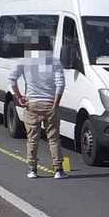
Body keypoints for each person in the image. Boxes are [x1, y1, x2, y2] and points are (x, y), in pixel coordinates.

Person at [6, 39, 66, 178]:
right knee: (54, 138)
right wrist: (55, 105)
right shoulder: (54, 62)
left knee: (32, 138)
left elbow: (11, 79)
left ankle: (32, 169)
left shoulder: (26, 61)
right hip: (50, 103)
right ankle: (58, 169)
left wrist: (19, 96)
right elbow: (60, 84)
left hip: (31, 104)